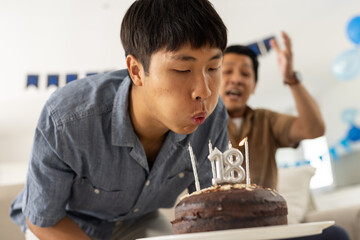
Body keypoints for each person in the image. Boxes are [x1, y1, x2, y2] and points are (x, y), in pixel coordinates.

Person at [9, 0, 229, 239]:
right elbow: (43, 220)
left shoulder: (212, 117)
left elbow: (212, 211)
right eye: (182, 70)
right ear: (135, 71)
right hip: (64, 221)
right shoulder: (67, 119)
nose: (204, 92)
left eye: (213, 67)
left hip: (138, 218)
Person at [220, 32, 350, 240]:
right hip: (218, 232)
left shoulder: (266, 120)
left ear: (254, 85)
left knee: (335, 235)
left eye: (245, 74)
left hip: (267, 229)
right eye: (227, 71)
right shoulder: (197, 124)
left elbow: (313, 129)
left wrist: (291, 78)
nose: (236, 79)